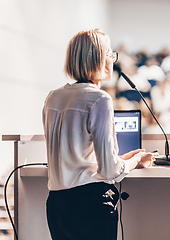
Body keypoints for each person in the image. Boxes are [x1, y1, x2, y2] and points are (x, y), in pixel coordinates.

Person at [42, 29, 156, 240]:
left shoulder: (53, 98)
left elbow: (76, 159)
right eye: (109, 54)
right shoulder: (99, 99)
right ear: (98, 59)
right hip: (90, 205)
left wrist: (123, 158)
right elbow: (110, 171)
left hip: (57, 205)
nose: (112, 59)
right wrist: (137, 161)